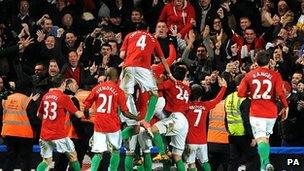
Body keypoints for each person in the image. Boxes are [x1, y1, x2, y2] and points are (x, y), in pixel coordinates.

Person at [119, 23, 174, 140]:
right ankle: (147, 121)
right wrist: (169, 74)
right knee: (154, 94)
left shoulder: (129, 35)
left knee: (123, 96)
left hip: (128, 66)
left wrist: (130, 57)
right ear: (148, 28)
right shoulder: (152, 38)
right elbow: (164, 58)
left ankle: (117, 121)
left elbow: (122, 54)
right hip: (143, 68)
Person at [238, 50, 289, 171]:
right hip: (271, 112)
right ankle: (263, 168)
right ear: (269, 61)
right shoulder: (276, 75)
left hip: (256, 112)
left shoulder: (249, 75)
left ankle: (266, 162)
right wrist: (286, 106)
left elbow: (240, 93)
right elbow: (280, 93)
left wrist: (251, 94)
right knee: (265, 140)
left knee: (260, 139)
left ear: (256, 61)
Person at [83, 67, 139, 171]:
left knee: (98, 153)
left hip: (99, 125)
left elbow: (86, 107)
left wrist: (87, 116)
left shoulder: (97, 88)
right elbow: (125, 112)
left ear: (107, 77)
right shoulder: (119, 91)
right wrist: (137, 117)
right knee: (115, 151)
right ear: (117, 78)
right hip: (113, 126)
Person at [143, 65, 190, 171]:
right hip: (184, 122)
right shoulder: (187, 88)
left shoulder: (170, 83)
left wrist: (159, 78)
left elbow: (156, 88)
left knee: (153, 129)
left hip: (176, 118)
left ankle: (162, 153)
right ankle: (166, 153)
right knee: (177, 157)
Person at [36, 74, 84, 171]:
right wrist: (85, 112)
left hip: (45, 135)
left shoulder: (46, 96)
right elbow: (79, 115)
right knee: (73, 157)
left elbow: (38, 114)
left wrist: (48, 122)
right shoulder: (64, 97)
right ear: (63, 84)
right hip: (59, 135)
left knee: (46, 160)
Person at [185, 78, 226, 171]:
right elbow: (217, 100)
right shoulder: (205, 105)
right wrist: (224, 87)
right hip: (203, 141)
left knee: (191, 164)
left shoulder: (186, 106)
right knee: (205, 162)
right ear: (200, 96)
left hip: (190, 140)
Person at [225, 74, 259, 171]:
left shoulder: (229, 97)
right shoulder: (244, 99)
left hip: (232, 134)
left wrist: (229, 130)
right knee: (254, 158)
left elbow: (226, 117)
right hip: (243, 134)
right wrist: (252, 137)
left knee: (233, 161)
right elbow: (246, 120)